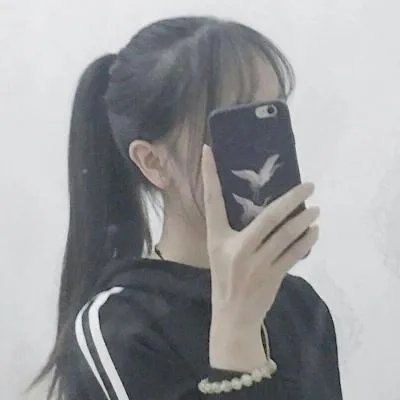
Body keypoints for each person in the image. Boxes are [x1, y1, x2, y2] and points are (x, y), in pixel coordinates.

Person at [31, 16, 343, 400]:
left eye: (271, 114)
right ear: (153, 162)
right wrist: (236, 331)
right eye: (236, 124)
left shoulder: (302, 305)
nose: (265, 148)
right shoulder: (118, 328)